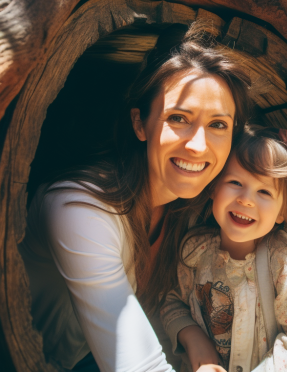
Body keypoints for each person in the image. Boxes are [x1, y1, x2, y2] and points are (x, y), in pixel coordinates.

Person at [19, 25, 253, 372]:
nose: (199, 146)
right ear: (140, 123)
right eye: (178, 118)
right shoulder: (79, 209)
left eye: (218, 125)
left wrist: (190, 334)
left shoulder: (186, 209)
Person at [161, 126, 287, 372]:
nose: (246, 199)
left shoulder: (282, 262)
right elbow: (171, 302)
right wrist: (191, 336)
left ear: (282, 211)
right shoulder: (194, 252)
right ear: (213, 187)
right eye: (235, 182)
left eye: (264, 191)